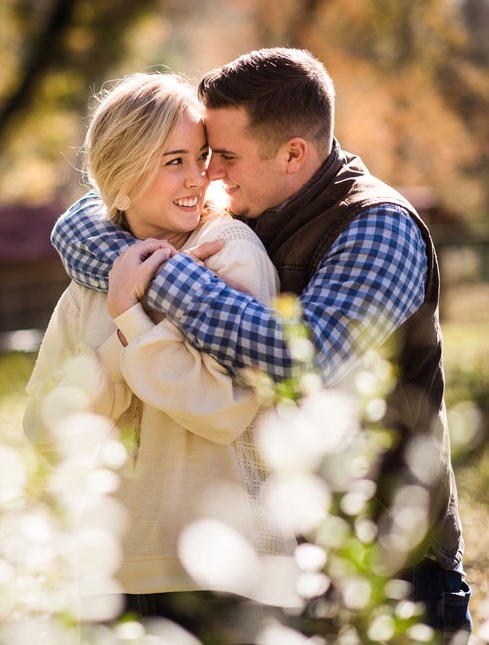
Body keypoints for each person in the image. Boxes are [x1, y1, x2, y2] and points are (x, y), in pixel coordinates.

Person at [50, 47, 471, 641]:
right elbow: (93, 212)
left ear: (293, 153)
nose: (207, 175)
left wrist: (156, 277)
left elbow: (305, 365)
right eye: (197, 155)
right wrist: (114, 245)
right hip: (291, 563)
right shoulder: (251, 213)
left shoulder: (378, 226)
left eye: (221, 156)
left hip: (392, 568)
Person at [23, 71, 292, 643]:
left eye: (202, 156)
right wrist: (124, 327)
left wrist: (134, 321)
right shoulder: (89, 288)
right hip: (115, 572)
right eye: (174, 161)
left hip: (228, 569)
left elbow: (226, 409)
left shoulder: (229, 253)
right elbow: (46, 432)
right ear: (121, 179)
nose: (199, 178)